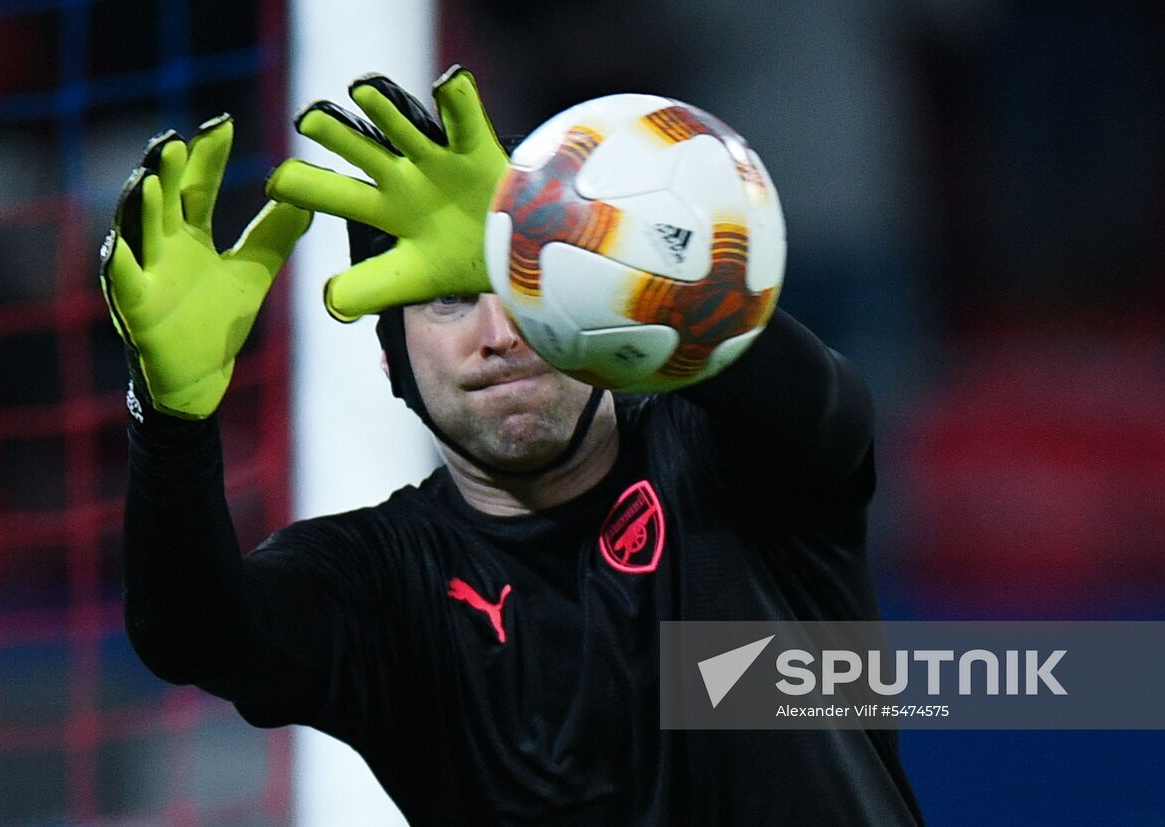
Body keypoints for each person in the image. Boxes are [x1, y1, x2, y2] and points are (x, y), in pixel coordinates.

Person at [102, 66, 925, 826]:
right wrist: (170, 424)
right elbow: (192, 633)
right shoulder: (383, 581)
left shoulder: (722, 453)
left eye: (527, 286)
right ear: (393, 360)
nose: (501, 333)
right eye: (453, 300)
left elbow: (826, 412)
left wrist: (614, 255)